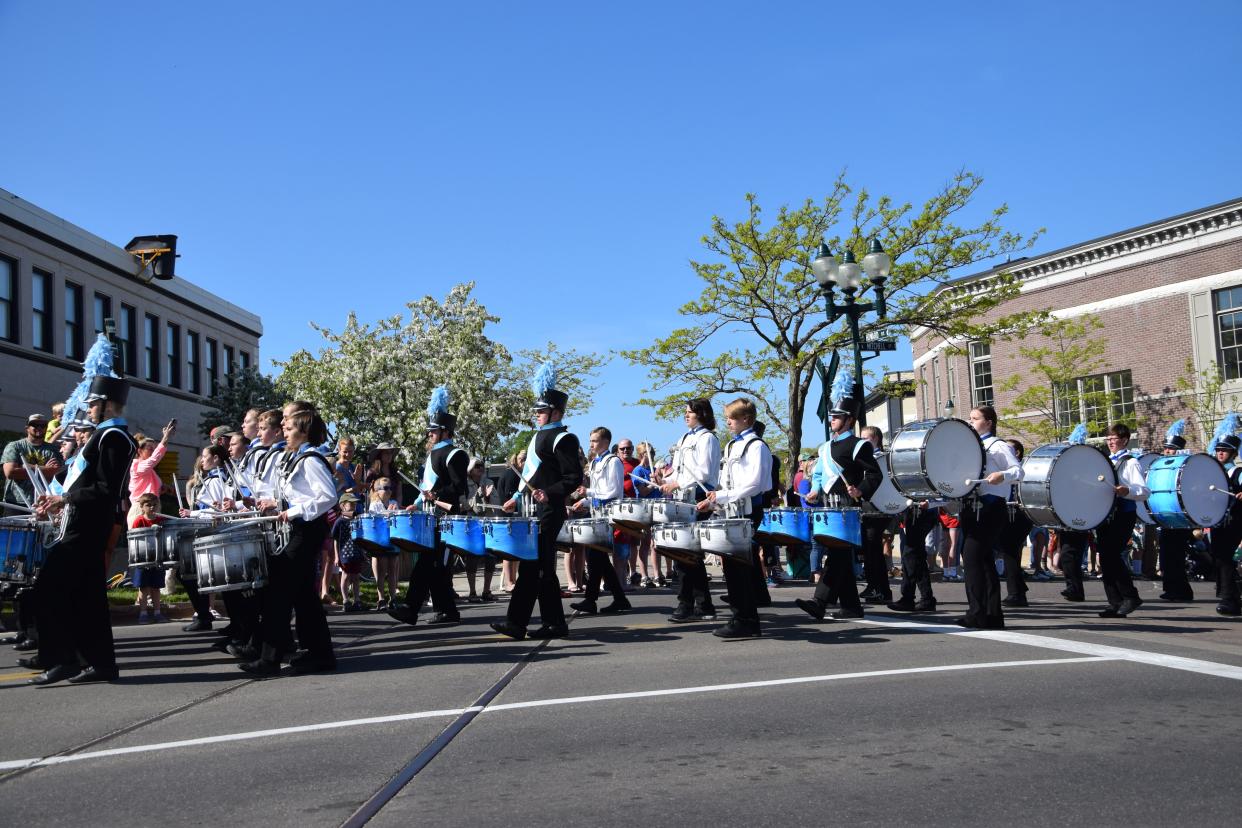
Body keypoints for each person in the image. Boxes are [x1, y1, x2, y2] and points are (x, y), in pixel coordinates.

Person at [24, 375, 135, 685]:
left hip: (87, 528)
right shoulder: (102, 437)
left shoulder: (113, 437)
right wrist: (58, 500)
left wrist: (65, 498)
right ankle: (101, 664)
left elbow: (105, 489)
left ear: (107, 405)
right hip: (81, 524)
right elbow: (87, 484)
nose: (89, 409)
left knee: (48, 589)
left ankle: (64, 659)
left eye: (93, 404)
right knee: (88, 599)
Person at [241, 403, 337, 676]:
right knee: (304, 596)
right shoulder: (295, 457)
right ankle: (321, 655)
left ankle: (269, 659)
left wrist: (293, 511)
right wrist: (274, 502)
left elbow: (328, 497)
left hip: (306, 531)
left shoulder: (310, 460)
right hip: (298, 529)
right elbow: (299, 494)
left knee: (279, 592)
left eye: (290, 425)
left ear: (304, 432)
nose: (284, 427)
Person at [492, 363, 581, 641]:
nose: (537, 415)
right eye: (537, 411)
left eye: (542, 411)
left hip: (550, 510)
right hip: (534, 509)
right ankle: (552, 623)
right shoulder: (537, 437)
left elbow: (573, 477)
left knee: (535, 567)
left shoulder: (564, 438)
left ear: (556, 412)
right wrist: (516, 497)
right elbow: (530, 472)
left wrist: (550, 492)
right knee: (537, 568)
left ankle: (518, 623)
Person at [797, 386, 881, 623]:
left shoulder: (859, 445)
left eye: (836, 416)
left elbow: (875, 475)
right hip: (827, 506)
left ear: (849, 420)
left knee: (837, 554)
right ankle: (852, 607)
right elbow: (821, 476)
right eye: (831, 416)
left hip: (847, 508)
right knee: (839, 554)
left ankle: (820, 601)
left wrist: (860, 489)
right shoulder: (825, 448)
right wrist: (814, 490)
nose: (832, 420)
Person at [391, 387, 468, 627]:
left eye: (433, 431)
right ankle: (447, 612)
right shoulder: (432, 455)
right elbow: (426, 485)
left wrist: (437, 494)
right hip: (430, 517)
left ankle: (411, 608)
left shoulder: (455, 454)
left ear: (445, 431)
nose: (429, 435)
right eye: (429, 431)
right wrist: (415, 504)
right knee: (433, 566)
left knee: (429, 565)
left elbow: (458, 488)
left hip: (446, 519)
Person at [696, 398, 772, 639]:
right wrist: (713, 500)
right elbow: (726, 482)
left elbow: (756, 484)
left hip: (748, 512)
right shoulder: (731, 446)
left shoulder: (756, 446)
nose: (727, 421)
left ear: (746, 420)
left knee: (740, 568)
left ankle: (747, 619)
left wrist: (723, 494)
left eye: (732, 417)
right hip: (731, 512)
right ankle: (740, 616)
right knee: (731, 566)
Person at [954, 405, 1023, 630]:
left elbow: (1019, 472)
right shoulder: (971, 446)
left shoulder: (998, 445)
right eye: (970, 417)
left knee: (971, 557)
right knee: (984, 562)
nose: (970, 421)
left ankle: (976, 613)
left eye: (975, 418)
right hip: (971, 507)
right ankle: (993, 615)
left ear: (989, 423)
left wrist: (1002, 475)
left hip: (991, 507)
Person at [660, 398, 721, 622]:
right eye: (685, 412)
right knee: (686, 554)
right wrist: (664, 478)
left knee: (686, 553)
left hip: (698, 498)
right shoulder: (684, 438)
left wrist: (676, 483)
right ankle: (703, 604)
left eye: (690, 412)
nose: (686, 415)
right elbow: (678, 470)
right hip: (682, 500)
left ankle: (686, 604)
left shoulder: (708, 439)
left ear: (702, 414)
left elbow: (703, 472)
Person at [570, 427, 631, 615]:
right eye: (590, 441)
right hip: (597, 514)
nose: (591, 444)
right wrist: (585, 501)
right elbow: (598, 492)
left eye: (594, 441)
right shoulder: (596, 462)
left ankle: (592, 599)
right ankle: (618, 599)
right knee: (599, 558)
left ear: (605, 442)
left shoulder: (613, 462)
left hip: (608, 516)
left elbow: (612, 491)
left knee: (596, 557)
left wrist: (588, 492)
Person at [1095, 423, 1149, 619]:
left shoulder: (1131, 462)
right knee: (1106, 557)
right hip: (1105, 515)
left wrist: (1127, 491)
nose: (1110, 442)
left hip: (1123, 514)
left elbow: (1144, 491)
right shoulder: (1104, 461)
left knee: (1112, 555)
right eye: (1108, 438)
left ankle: (1130, 596)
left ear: (1124, 440)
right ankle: (1115, 602)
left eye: (1114, 438)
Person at [1157, 420, 1195, 602]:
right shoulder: (1163, 467)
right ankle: (1170, 588)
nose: (1167, 452)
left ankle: (1182, 590)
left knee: (1176, 556)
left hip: (1180, 519)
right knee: (1165, 556)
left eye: (1171, 449)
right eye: (1166, 448)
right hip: (1165, 517)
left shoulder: (1185, 468)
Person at [1209, 421, 1242, 617]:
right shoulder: (1212, 473)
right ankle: (1232, 594)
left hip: (1234, 520)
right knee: (1219, 557)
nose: (1220, 453)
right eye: (1218, 449)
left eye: (1225, 450)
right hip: (1218, 521)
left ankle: (1229, 599)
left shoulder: (1237, 472)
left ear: (1233, 453)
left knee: (1225, 557)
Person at [858, 425, 892, 604]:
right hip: (868, 508)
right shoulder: (866, 459)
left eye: (867, 439)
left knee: (874, 549)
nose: (863, 442)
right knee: (869, 550)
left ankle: (880, 589)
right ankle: (875, 586)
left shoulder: (881, 459)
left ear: (876, 440)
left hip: (878, 508)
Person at [999, 438, 1033, 608]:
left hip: (1020, 514)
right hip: (1009, 512)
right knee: (1009, 551)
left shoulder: (1023, 468)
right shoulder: (1007, 468)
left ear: (1017, 453)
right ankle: (1018, 590)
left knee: (1010, 550)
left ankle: (1016, 594)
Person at [3, 413, 62, 508]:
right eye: (34, 425)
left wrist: (25, 466)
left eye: (42, 425)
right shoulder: (14, 446)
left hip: (43, 503)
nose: (39, 427)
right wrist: (46, 469)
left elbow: (57, 473)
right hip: (15, 502)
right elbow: (10, 472)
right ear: (27, 428)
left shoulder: (53, 449)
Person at [129, 492, 169, 623]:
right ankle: (143, 613)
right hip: (143, 559)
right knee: (144, 587)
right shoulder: (139, 520)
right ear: (141, 507)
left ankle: (157, 612)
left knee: (156, 587)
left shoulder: (161, 520)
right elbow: (134, 538)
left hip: (157, 558)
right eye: (148, 505)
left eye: (154, 505)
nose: (152, 507)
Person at [127, 421, 176, 526]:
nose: (153, 451)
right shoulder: (137, 466)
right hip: (141, 510)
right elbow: (155, 458)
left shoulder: (149, 470)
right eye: (150, 449)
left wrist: (163, 487)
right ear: (139, 451)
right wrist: (166, 437)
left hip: (152, 507)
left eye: (154, 449)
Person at [464, 457, 498, 602]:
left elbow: (497, 504)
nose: (481, 468)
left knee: (490, 556)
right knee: (472, 557)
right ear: (470, 469)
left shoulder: (489, 483)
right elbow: (464, 505)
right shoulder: (464, 484)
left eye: (482, 466)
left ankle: (486, 590)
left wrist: (488, 498)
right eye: (477, 466)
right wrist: (479, 495)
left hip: (488, 523)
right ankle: (472, 592)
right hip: (472, 523)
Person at [367, 476, 401, 611]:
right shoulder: (374, 504)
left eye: (390, 488)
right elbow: (375, 520)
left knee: (392, 570)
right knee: (382, 571)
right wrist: (389, 513)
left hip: (392, 539)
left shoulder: (393, 502)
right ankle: (381, 598)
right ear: (378, 490)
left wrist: (394, 513)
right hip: (381, 540)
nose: (389, 491)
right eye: (385, 488)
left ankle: (393, 598)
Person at [496, 449, 526, 592]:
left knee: (515, 551)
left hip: (513, 516)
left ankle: (513, 580)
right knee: (509, 550)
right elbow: (509, 496)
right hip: (508, 516)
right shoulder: (512, 474)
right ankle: (509, 582)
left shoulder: (517, 474)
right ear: (520, 461)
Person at [333, 493, 365, 611]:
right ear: (342, 506)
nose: (353, 506)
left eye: (355, 503)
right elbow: (335, 539)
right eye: (350, 503)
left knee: (356, 577)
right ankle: (345, 600)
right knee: (345, 576)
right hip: (345, 554)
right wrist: (337, 556)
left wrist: (362, 552)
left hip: (356, 552)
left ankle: (357, 600)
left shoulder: (357, 519)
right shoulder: (339, 521)